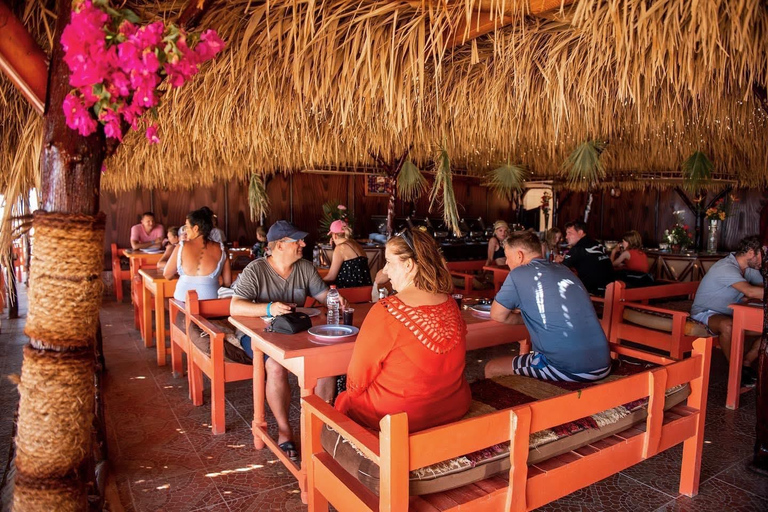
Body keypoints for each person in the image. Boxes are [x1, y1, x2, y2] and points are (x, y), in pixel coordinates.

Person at [335, 228, 471, 432]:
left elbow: (356, 381)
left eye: (389, 262)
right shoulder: (450, 303)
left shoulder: (387, 311)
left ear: (409, 265)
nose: (386, 271)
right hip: (454, 406)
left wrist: (349, 395)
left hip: (398, 417)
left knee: (343, 399)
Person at [230, 220, 333, 461]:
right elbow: (235, 306)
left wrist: (335, 300)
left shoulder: (305, 267)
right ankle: (285, 432)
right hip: (257, 336)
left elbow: (323, 295)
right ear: (278, 246)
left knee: (326, 363)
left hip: (293, 333)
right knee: (275, 366)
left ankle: (321, 431)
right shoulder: (255, 270)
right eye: (297, 240)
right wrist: (268, 307)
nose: (303, 244)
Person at [485, 231, 611, 382]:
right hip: (603, 362)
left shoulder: (518, 273)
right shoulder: (564, 269)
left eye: (507, 256)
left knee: (492, 368)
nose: (506, 262)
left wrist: (524, 318)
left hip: (569, 369)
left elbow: (497, 314)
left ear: (519, 255)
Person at [691, 235, 764, 386]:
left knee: (765, 327)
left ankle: (746, 361)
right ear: (751, 252)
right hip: (705, 313)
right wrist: (752, 293)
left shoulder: (749, 269)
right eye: (762, 255)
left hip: (730, 314)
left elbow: (762, 287)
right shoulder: (726, 267)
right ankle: (736, 371)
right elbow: (750, 291)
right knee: (727, 325)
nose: (764, 260)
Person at [164, 208, 231, 300]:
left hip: (183, 299)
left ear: (195, 228)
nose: (185, 230)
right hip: (211, 300)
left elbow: (167, 274)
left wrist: (184, 276)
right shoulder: (222, 249)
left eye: (187, 226)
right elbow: (227, 282)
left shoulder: (181, 246)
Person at [555, 220, 614, 295]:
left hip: (594, 292)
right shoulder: (598, 244)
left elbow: (560, 269)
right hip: (611, 289)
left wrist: (556, 262)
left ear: (580, 233)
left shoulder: (578, 248)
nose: (566, 237)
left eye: (569, 233)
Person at [322, 220, 373, 288]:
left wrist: (315, 283)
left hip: (349, 292)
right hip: (365, 289)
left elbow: (331, 277)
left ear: (335, 235)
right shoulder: (355, 244)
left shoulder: (341, 248)